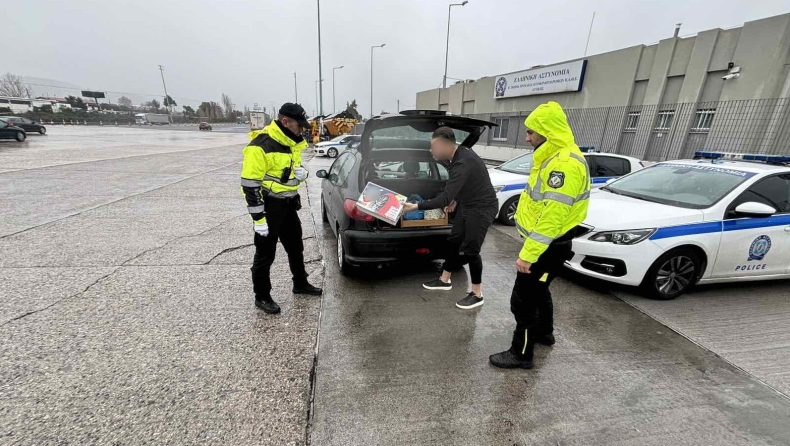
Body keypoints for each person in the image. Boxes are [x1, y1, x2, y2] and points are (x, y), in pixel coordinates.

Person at [489, 101, 591, 369]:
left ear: (548, 131)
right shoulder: (553, 157)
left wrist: (528, 255)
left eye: (531, 132)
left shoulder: (563, 164)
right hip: (550, 246)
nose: (527, 137)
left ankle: (521, 354)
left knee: (523, 300)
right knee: (541, 291)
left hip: (546, 248)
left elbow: (551, 217)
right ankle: (545, 333)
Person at [402, 127, 499, 310]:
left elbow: (444, 198)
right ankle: (445, 280)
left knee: (471, 250)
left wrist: (415, 206)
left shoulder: (462, 162)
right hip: (468, 204)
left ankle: (477, 294)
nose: (431, 151)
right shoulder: (458, 156)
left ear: (446, 145)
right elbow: (463, 186)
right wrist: (456, 200)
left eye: (434, 147)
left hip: (482, 208)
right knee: (454, 241)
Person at [240, 103, 323, 314]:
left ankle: (300, 283)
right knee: (265, 254)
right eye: (299, 125)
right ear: (285, 121)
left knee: (296, 248)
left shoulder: (291, 142)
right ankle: (262, 296)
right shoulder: (260, 146)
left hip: (288, 205)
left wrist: (301, 173)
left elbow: (285, 173)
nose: (302, 130)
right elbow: (250, 186)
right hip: (269, 207)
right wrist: (259, 220)